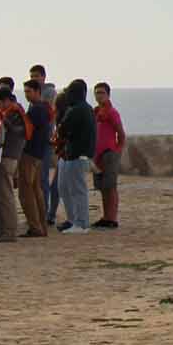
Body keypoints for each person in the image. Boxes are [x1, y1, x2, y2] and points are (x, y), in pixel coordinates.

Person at [56, 80, 95, 234]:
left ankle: (81, 223)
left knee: (78, 190)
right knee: (66, 188)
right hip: (75, 154)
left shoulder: (78, 110)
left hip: (77, 155)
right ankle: (74, 220)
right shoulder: (85, 109)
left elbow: (63, 129)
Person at [17, 80, 51, 237]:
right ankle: (41, 225)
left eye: (29, 91)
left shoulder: (37, 110)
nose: (26, 94)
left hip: (30, 154)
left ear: (38, 91)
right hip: (38, 154)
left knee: (26, 191)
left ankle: (35, 226)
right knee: (36, 190)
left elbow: (25, 129)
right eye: (25, 91)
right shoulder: (42, 108)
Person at [0, 88, 23, 241]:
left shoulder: (14, 113)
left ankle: (9, 232)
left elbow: (16, 131)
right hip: (12, 157)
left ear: (6, 101)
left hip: (8, 157)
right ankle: (7, 230)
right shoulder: (16, 112)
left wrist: (3, 118)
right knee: (4, 195)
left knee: (6, 195)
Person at [92, 83, 124, 229]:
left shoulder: (112, 113)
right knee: (103, 187)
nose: (99, 96)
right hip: (98, 155)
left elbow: (120, 133)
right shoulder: (96, 112)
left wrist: (117, 150)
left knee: (110, 187)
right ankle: (106, 216)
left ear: (108, 94)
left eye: (102, 93)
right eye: (97, 93)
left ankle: (112, 218)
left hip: (109, 153)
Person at [30, 66, 56, 222]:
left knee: (43, 178)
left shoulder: (48, 93)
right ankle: (40, 211)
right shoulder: (34, 94)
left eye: (37, 75)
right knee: (37, 179)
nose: (34, 78)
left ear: (44, 77)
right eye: (32, 76)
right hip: (36, 141)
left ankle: (44, 213)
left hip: (44, 141)